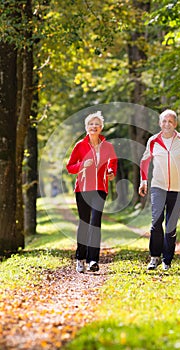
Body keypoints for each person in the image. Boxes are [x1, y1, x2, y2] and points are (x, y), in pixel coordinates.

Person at [138, 109, 180, 271]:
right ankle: (154, 257)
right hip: (158, 187)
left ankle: (167, 260)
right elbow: (144, 162)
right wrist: (143, 181)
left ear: (175, 124)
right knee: (156, 223)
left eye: (170, 121)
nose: (167, 124)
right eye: (164, 121)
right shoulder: (153, 141)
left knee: (171, 226)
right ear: (160, 123)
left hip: (177, 189)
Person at [66, 111, 117, 273]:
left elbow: (113, 162)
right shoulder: (80, 146)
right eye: (91, 124)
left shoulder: (108, 146)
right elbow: (70, 167)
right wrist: (82, 165)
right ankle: (80, 258)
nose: (94, 126)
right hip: (82, 189)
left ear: (101, 128)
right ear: (86, 127)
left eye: (97, 124)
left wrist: (110, 172)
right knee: (84, 223)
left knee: (95, 223)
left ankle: (93, 260)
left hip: (100, 189)